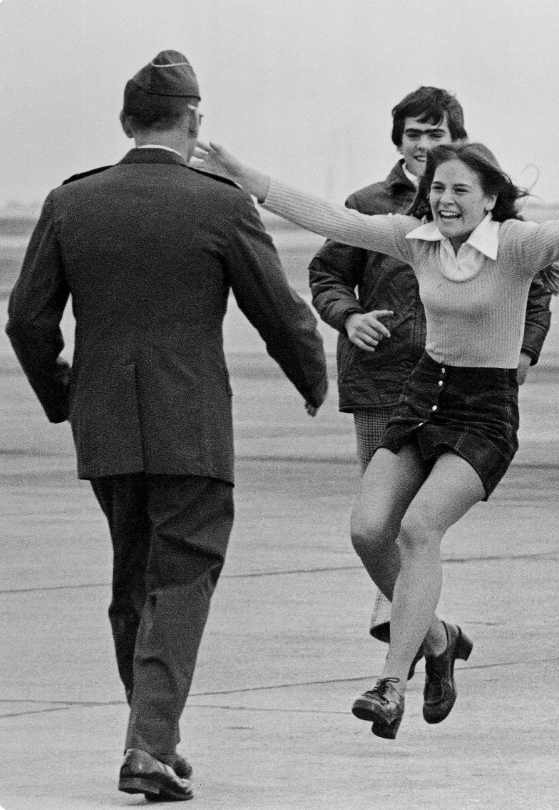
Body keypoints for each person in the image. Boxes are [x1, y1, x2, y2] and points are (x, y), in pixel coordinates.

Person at [198, 138, 559, 738]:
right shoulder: (415, 240)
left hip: (485, 412)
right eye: (438, 188)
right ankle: (439, 639)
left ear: (489, 198)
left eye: (460, 189)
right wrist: (246, 176)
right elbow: (331, 219)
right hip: (422, 398)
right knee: (368, 530)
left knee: (418, 530)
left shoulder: (515, 246)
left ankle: (391, 685)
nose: (445, 199)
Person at [5, 51, 327, 801]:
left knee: (134, 581)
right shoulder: (219, 203)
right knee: (182, 576)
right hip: (192, 427)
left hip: (106, 426)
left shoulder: (70, 201)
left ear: (127, 122)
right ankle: (148, 744)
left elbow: (25, 319)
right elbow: (278, 311)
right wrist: (312, 378)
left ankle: (152, 737)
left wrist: (62, 394)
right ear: (194, 121)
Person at [308, 87, 553, 647]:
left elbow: (535, 293)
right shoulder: (371, 204)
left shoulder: (485, 211)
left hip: (466, 388)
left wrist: (524, 352)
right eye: (412, 134)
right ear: (398, 141)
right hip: (384, 379)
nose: (422, 143)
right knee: (379, 518)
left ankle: (412, 636)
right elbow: (326, 275)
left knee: (419, 523)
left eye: (435, 133)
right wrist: (348, 316)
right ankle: (420, 631)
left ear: (456, 141)